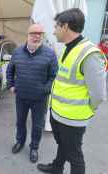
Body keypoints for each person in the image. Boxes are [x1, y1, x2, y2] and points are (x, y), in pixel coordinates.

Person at [37, 8, 107, 174]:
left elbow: (98, 94)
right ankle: (57, 167)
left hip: (73, 118)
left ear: (65, 26)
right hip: (58, 113)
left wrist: (88, 109)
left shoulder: (89, 54)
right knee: (63, 145)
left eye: (56, 27)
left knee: (75, 155)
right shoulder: (68, 48)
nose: (53, 31)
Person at [6, 24, 58, 163]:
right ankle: (20, 142)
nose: (37, 36)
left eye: (40, 34)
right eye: (34, 33)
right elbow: (10, 70)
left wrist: (45, 90)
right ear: (27, 35)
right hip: (21, 97)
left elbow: (54, 76)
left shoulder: (50, 53)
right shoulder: (17, 52)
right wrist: (10, 85)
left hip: (40, 99)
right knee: (20, 122)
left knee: (37, 125)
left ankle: (34, 147)